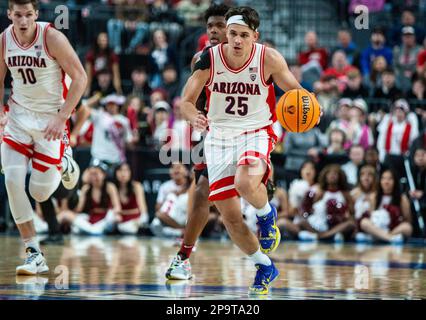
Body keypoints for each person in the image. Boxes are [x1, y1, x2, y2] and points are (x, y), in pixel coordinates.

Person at [179, 6, 317, 294]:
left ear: (255, 36)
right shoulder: (209, 58)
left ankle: (266, 216)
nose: (237, 41)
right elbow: (186, 101)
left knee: (244, 182)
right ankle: (264, 265)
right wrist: (194, 116)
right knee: (229, 216)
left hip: (256, 132)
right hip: (218, 138)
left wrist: (312, 108)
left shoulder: (269, 58)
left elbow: (297, 93)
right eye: (232, 34)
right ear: (226, 34)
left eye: (243, 35)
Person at [0, 0, 87, 275]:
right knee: (12, 181)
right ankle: (33, 252)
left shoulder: (52, 36)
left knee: (38, 192)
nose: (23, 20)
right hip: (17, 117)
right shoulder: (4, 39)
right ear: (9, 14)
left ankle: (66, 162)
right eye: (17, 15)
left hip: (50, 120)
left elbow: (81, 77)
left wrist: (62, 117)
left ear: (36, 14)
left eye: (28, 15)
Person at [166, 3, 229, 281]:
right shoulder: (200, 59)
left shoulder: (255, 58)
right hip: (213, 134)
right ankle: (183, 257)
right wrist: (198, 116)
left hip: (248, 134)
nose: (214, 31)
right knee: (201, 192)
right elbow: (190, 101)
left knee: (246, 193)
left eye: (220, 26)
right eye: (210, 26)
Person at [358, 169, 413, 244]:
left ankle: (379, 237)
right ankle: (389, 238)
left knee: (407, 227)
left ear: (395, 181)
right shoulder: (374, 196)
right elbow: (371, 216)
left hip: (393, 228)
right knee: (364, 222)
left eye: (390, 179)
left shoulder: (402, 198)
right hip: (377, 227)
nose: (386, 182)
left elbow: (407, 219)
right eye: (383, 178)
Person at [112, 163, 149, 235]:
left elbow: (142, 210)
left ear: (130, 172)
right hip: (119, 221)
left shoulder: (137, 186)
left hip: (135, 220)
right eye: (120, 170)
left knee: (143, 219)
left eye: (126, 170)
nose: (123, 174)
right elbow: (115, 211)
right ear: (115, 173)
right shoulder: (112, 187)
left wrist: (123, 212)